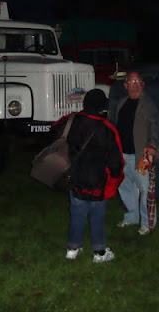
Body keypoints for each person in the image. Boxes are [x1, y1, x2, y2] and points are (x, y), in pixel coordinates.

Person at [51, 88, 124, 263]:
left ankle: (72, 249)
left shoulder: (71, 120)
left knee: (77, 213)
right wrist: (116, 176)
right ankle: (99, 252)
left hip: (74, 177)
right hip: (97, 181)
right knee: (97, 216)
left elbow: (54, 133)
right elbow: (116, 161)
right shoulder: (106, 128)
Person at [108, 71, 159, 235]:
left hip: (141, 156)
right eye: (131, 81)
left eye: (137, 81)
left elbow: (155, 127)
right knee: (125, 188)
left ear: (142, 84)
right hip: (122, 155)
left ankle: (147, 223)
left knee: (145, 191)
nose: (134, 84)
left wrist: (152, 145)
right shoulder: (122, 102)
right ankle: (132, 217)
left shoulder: (148, 104)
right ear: (125, 86)